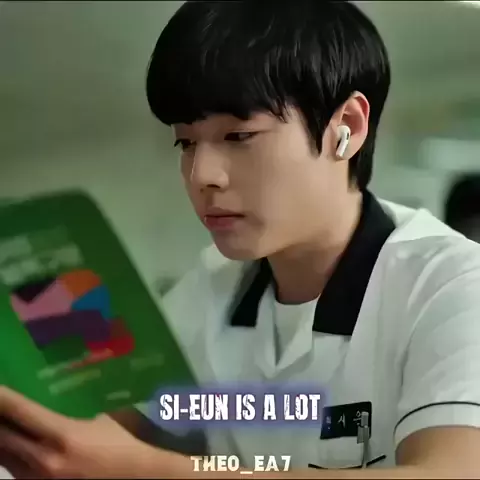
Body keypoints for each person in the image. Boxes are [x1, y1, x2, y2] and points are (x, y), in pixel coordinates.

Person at [2, 0, 480, 478]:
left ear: (347, 128)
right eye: (186, 142)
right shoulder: (208, 292)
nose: (201, 175)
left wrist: (142, 470)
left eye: (238, 137)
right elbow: (105, 434)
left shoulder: (450, 284)